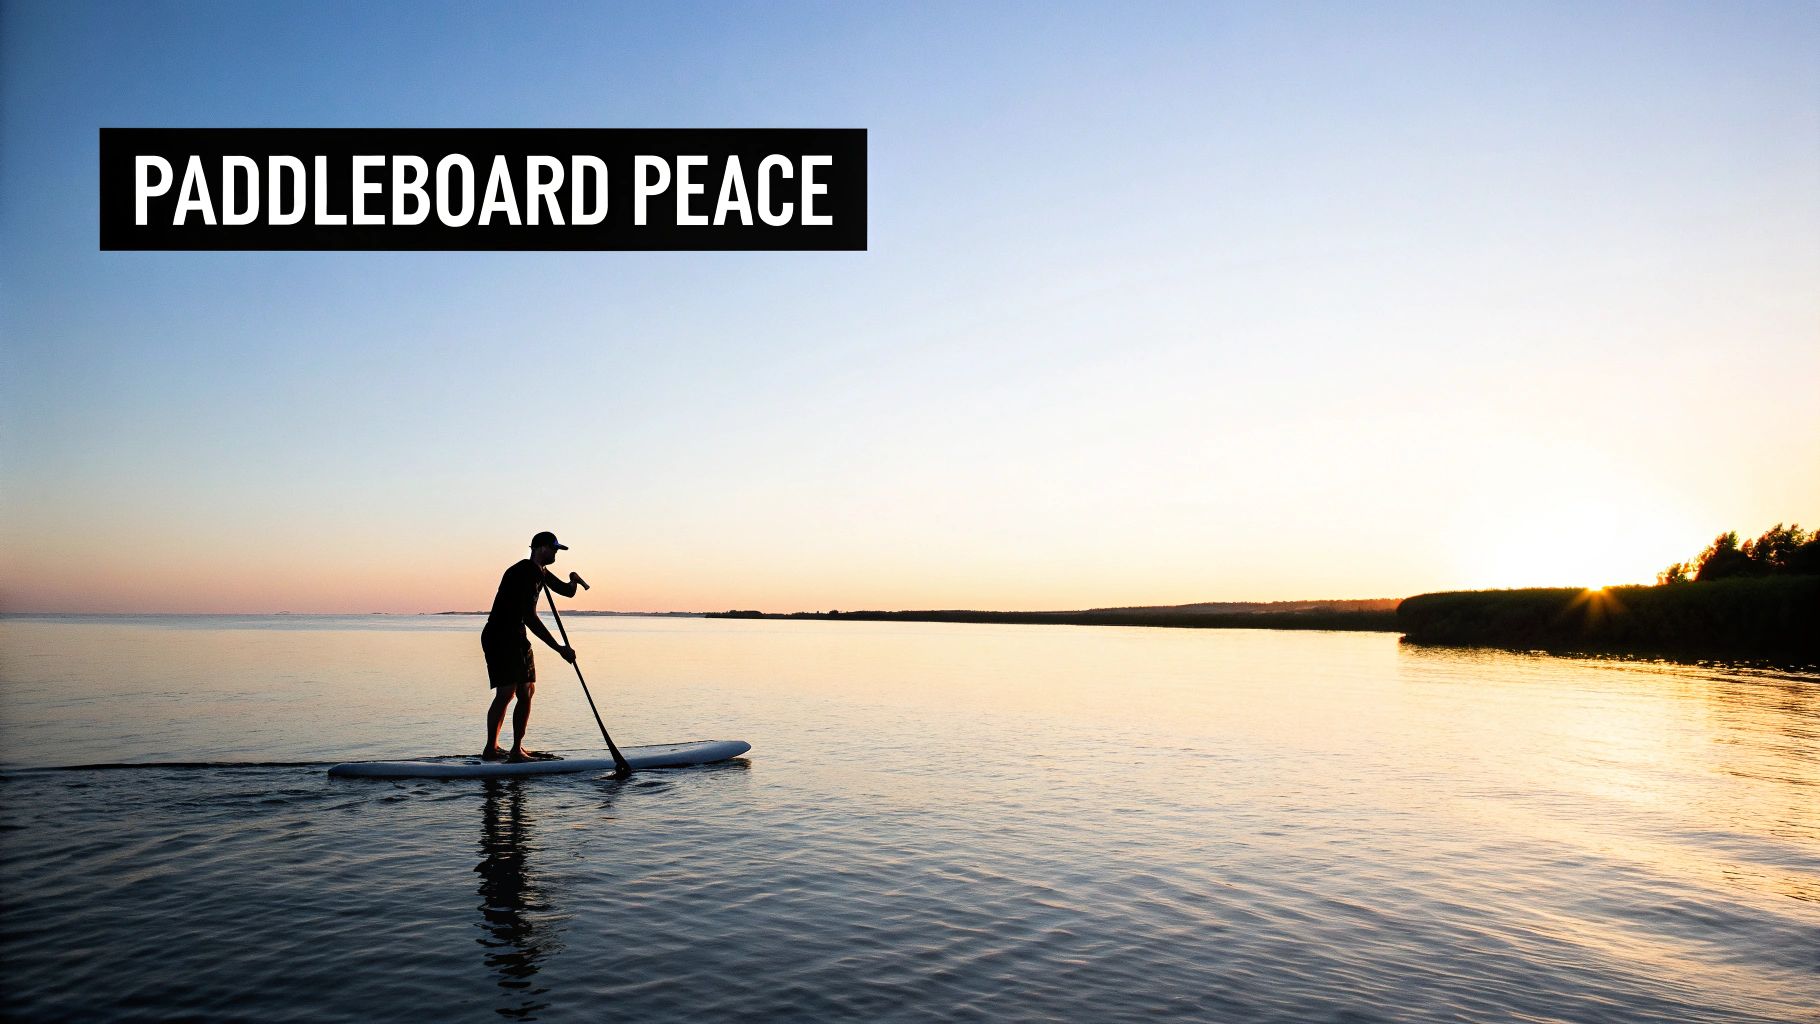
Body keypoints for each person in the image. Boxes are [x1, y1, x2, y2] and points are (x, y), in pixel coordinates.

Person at [481, 531, 588, 763]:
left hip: (515, 635)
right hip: (501, 635)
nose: (556, 552)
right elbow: (529, 616)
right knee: (507, 692)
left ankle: (512, 748)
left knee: (526, 690)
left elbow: (566, 591)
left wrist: (574, 581)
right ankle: (500, 750)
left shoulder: (540, 572)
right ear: (539, 548)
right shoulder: (525, 572)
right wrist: (559, 648)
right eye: (553, 548)